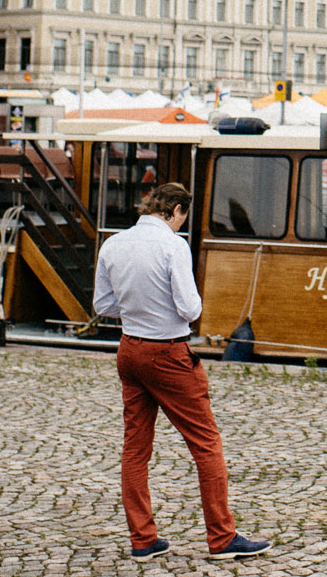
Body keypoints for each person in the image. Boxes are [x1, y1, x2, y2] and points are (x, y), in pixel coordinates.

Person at [91, 182, 271, 561]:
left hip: (129, 350)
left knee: (135, 449)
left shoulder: (113, 244)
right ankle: (222, 537)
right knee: (206, 443)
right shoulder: (173, 246)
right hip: (169, 354)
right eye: (180, 219)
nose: (179, 226)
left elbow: (104, 304)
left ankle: (143, 539)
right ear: (174, 210)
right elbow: (190, 308)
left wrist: (138, 305)